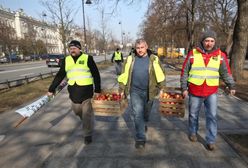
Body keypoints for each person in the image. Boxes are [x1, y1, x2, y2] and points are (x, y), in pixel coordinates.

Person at [180, 29, 235, 151]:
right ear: (202, 41)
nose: (209, 43)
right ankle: (193, 132)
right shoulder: (193, 53)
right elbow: (185, 72)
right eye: (207, 40)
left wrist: (231, 85)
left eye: (211, 41)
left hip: (211, 92)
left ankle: (211, 140)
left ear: (215, 42)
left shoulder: (221, 56)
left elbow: (226, 73)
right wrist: (184, 88)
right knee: (193, 115)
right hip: (195, 91)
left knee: (212, 116)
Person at [47, 40, 101, 145]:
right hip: (74, 92)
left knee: (86, 114)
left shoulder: (87, 58)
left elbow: (96, 74)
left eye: (74, 48)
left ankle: (87, 134)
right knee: (77, 111)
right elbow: (60, 75)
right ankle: (86, 120)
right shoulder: (66, 60)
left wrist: (97, 89)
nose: (72, 50)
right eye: (70, 48)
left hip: (87, 92)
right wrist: (51, 88)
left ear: (79, 48)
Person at [118, 39, 165, 149]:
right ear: (135, 48)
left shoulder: (154, 59)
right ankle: (140, 138)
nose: (140, 50)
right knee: (137, 113)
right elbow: (124, 74)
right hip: (135, 91)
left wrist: (162, 87)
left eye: (142, 47)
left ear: (146, 46)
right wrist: (121, 89)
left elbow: (161, 73)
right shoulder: (130, 59)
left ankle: (143, 123)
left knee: (146, 112)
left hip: (150, 91)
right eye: (138, 48)